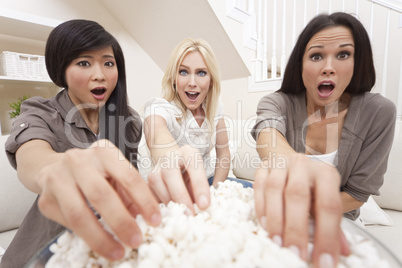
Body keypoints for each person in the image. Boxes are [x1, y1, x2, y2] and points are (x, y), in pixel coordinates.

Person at [2, 20, 207, 267]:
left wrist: (174, 158)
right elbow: (32, 158)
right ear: (61, 69)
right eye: (84, 63)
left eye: (108, 63)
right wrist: (59, 167)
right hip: (46, 253)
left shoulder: (129, 120)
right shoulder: (40, 111)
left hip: (110, 250)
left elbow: (161, 144)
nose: (100, 75)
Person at [252, 12, 396, 267]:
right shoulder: (277, 102)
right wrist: (293, 165)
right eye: (316, 56)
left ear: (358, 61)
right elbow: (268, 134)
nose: (328, 67)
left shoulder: (379, 112)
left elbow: (357, 194)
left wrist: (307, 209)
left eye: (343, 54)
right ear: (301, 64)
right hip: (283, 214)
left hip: (340, 219)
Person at [143, 38, 252, 212]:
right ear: (174, 78)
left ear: (211, 80)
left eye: (201, 73)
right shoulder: (159, 107)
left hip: (210, 181)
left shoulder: (215, 107)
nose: (192, 82)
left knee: (254, 192)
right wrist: (172, 156)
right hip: (174, 191)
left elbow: (223, 154)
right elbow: (157, 133)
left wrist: (217, 192)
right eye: (183, 72)